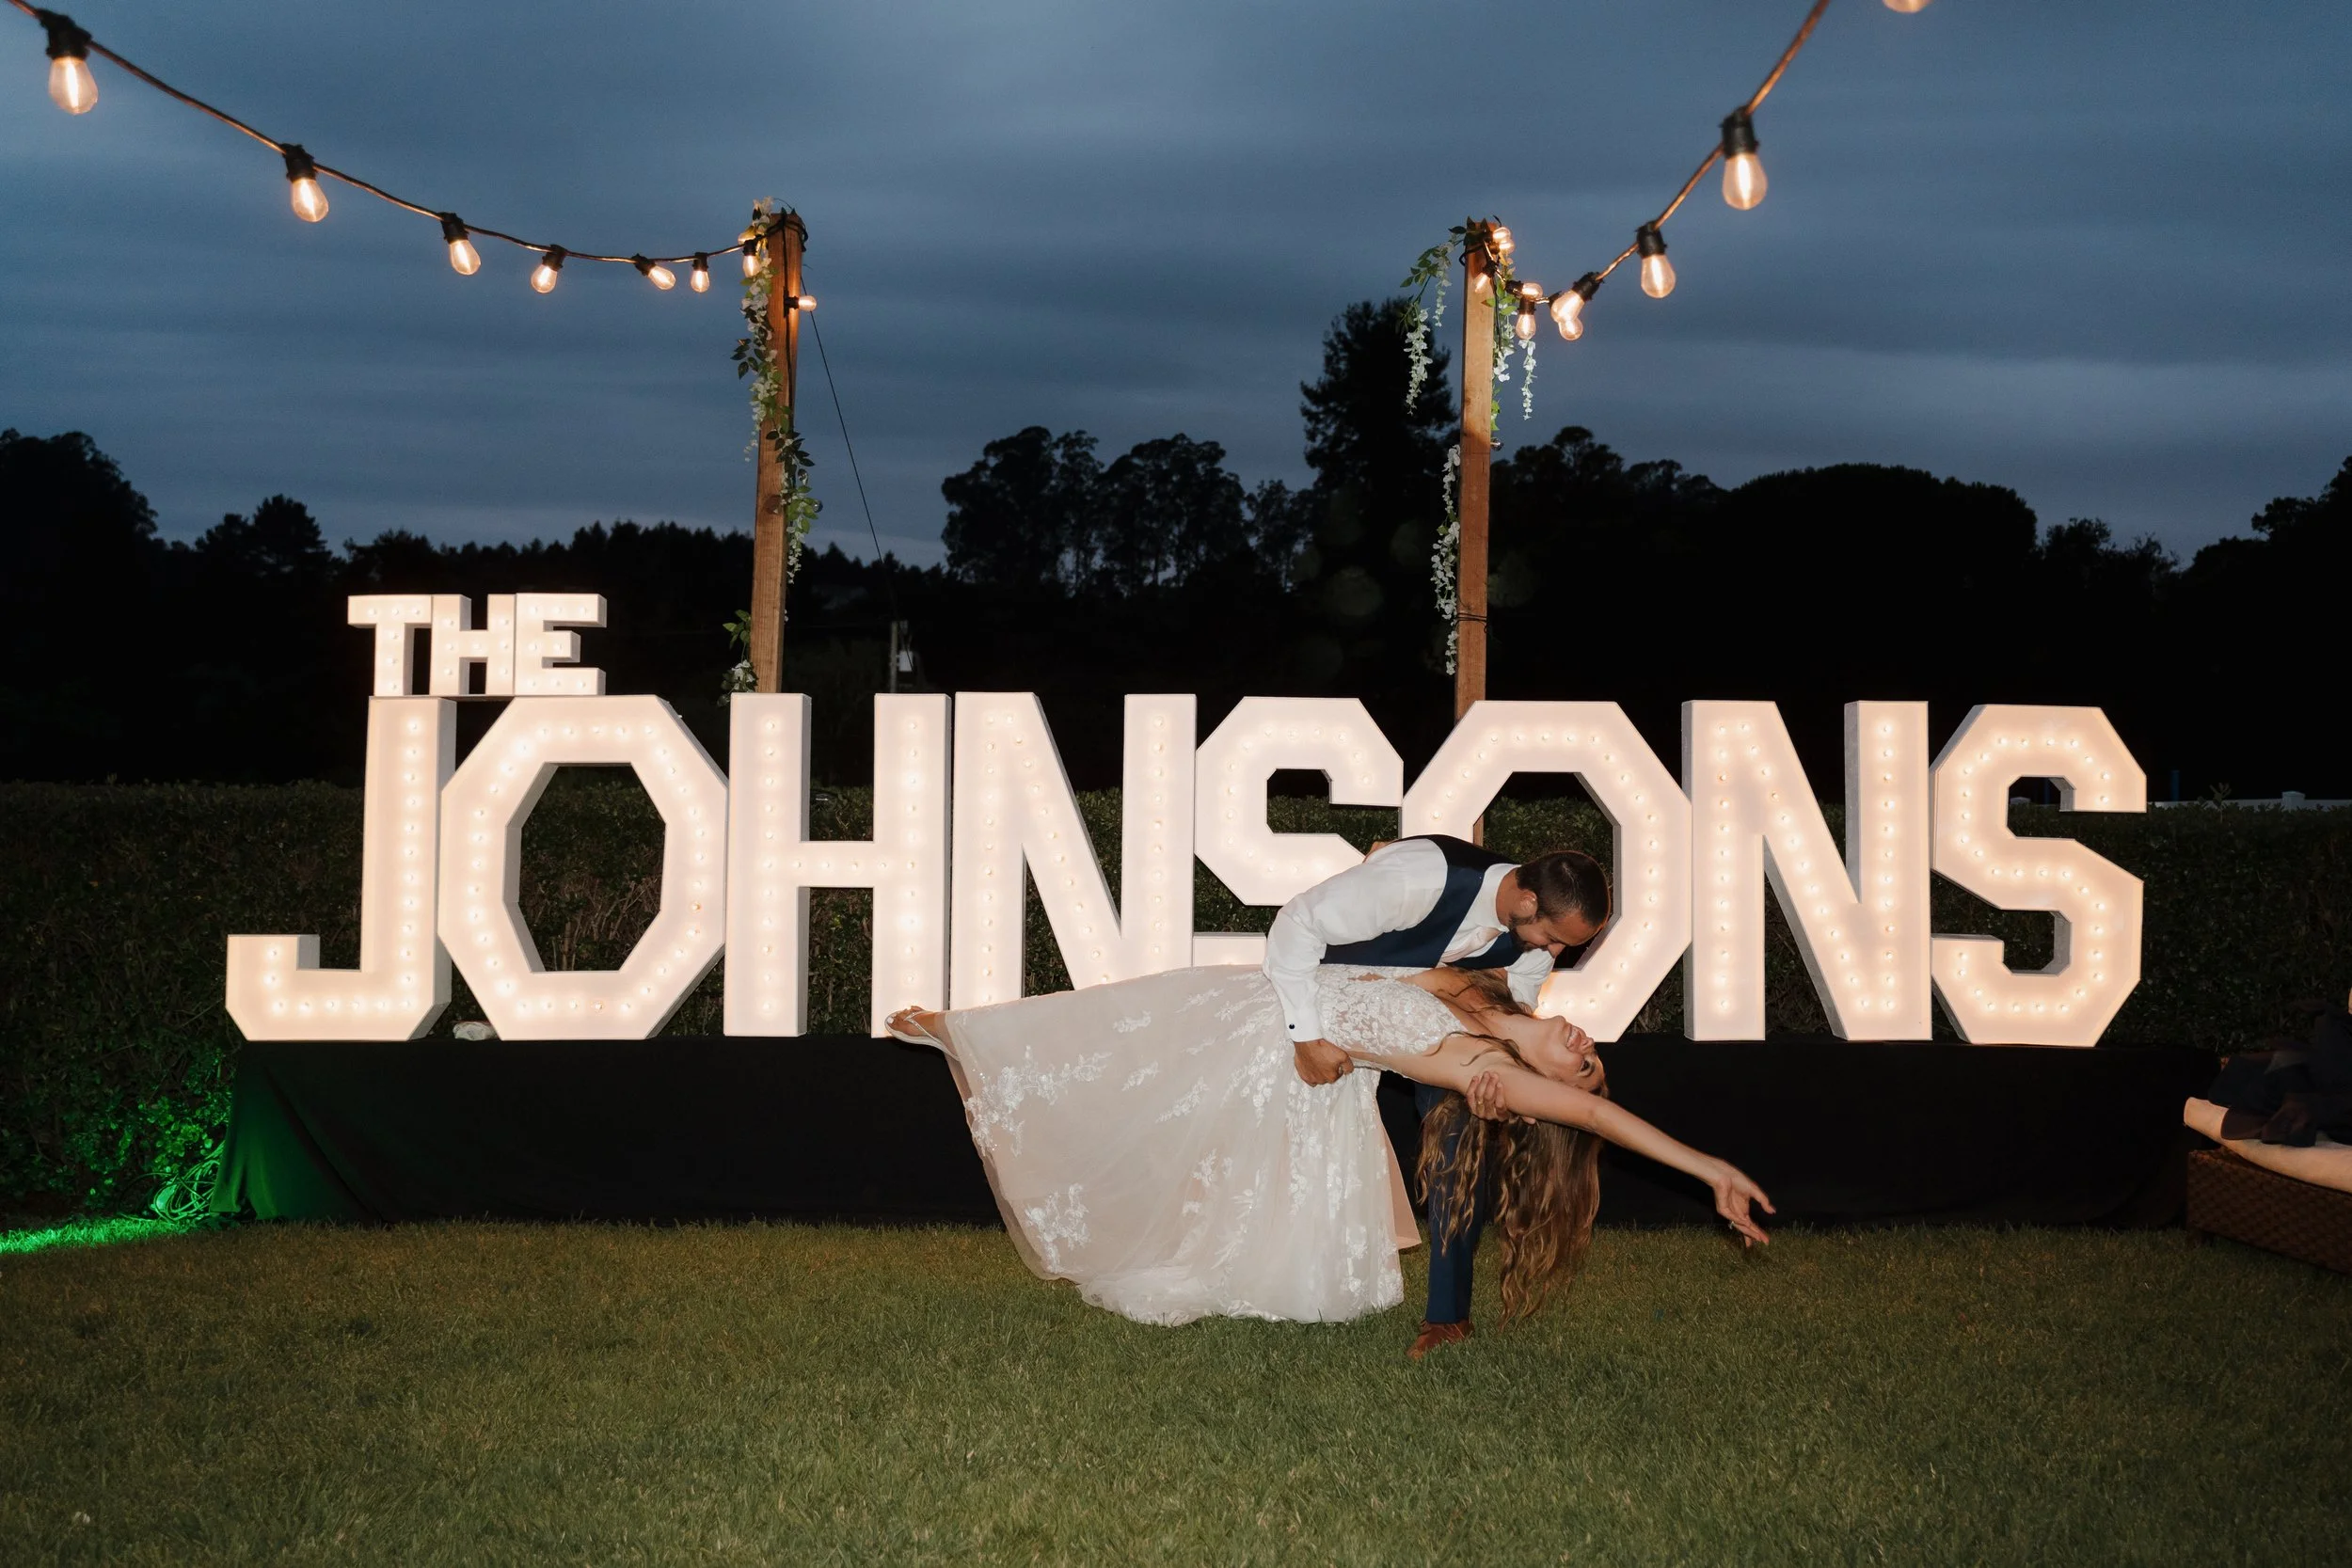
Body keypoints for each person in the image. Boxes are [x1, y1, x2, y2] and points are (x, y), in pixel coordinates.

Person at [886, 961, 1771, 1340]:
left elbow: (1610, 1124)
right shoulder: (1495, 996)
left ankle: (960, 1038)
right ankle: (965, 1031)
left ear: (1556, 1097)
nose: (1584, 1040)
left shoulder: (1485, 1070)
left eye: (1586, 1064)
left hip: (1276, 1047)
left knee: (1122, 1072)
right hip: (1267, 1002)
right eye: (1592, 1046)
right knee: (1116, 1020)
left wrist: (1710, 1168)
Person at [1264, 833, 1606, 1356]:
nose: (1553, 954)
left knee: (1459, 1132)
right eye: (1553, 938)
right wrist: (1305, 1036)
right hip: (1322, 1007)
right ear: (1527, 902)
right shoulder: (1420, 876)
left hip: (1426, 1028)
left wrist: (1496, 1086)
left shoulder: (1531, 944)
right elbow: (1296, 923)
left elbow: (1504, 1018)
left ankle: (1448, 1316)